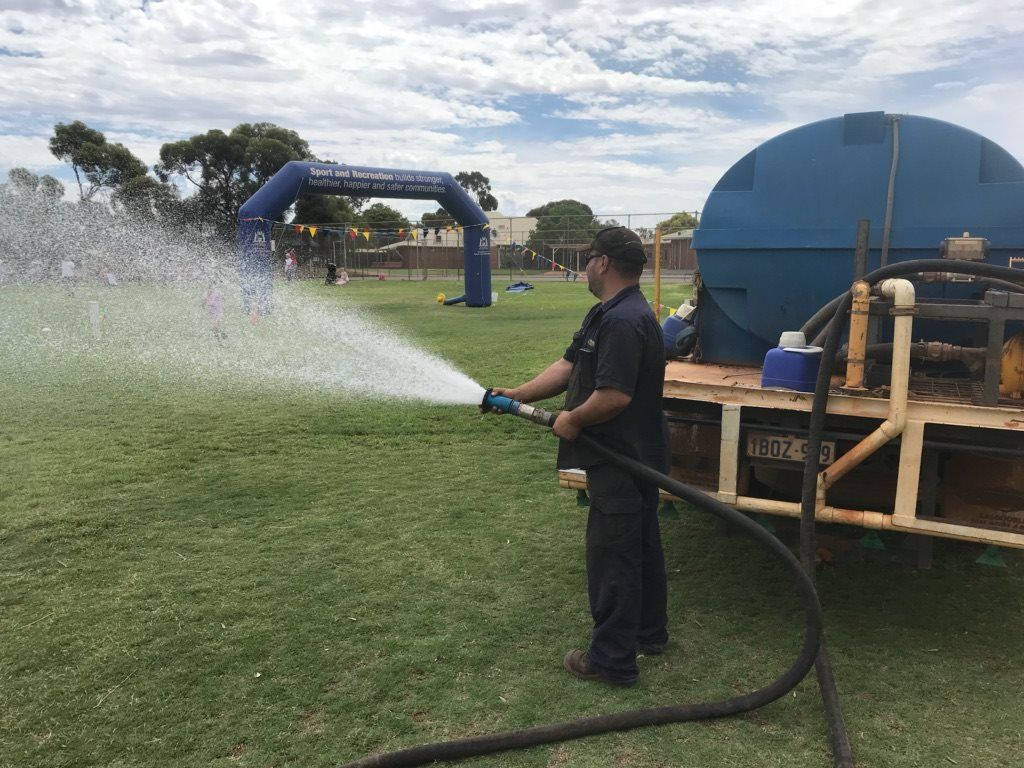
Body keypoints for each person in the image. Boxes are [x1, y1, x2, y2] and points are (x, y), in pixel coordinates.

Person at [490, 226, 670, 686]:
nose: (586, 265)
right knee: (642, 543)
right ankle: (649, 633)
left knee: (614, 554)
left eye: (589, 257)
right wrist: (518, 393)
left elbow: (613, 395)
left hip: (620, 456)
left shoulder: (623, 321)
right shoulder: (606, 314)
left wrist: (573, 419)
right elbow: (570, 365)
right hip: (637, 451)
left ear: (604, 262)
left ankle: (611, 659)